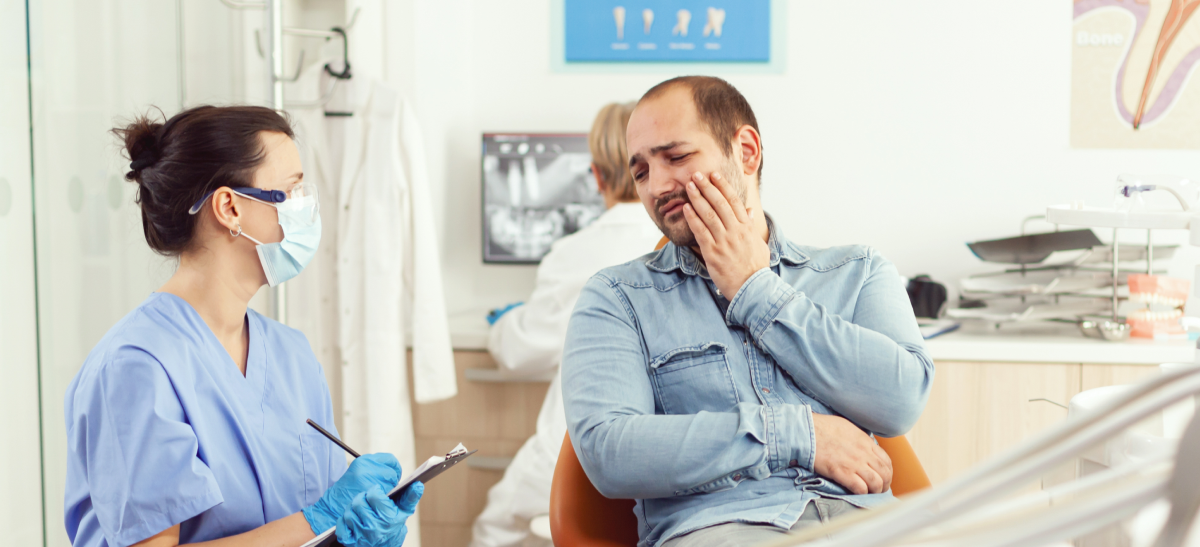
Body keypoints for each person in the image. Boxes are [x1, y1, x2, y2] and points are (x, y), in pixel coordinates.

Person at [561, 76, 936, 547]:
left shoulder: (858, 271)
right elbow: (610, 453)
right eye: (640, 172)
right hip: (722, 531)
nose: (656, 186)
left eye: (676, 157)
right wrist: (795, 434)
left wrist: (754, 288)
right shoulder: (617, 297)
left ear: (746, 152)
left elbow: (901, 401)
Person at [64, 105, 421, 547]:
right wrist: (320, 519)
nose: (305, 209)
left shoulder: (292, 355)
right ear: (229, 207)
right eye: (290, 192)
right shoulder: (136, 368)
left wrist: (355, 530)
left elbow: (318, 523)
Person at [470, 103, 665, 547]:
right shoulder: (681, 246)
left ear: (596, 176)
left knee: (492, 528)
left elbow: (519, 352)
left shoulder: (574, 253)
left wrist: (506, 324)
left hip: (576, 461)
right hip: (661, 466)